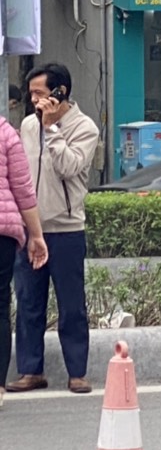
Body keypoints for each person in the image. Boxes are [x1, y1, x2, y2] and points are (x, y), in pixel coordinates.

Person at [6, 63, 100, 394]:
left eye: (40, 94)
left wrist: (53, 130)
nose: (34, 101)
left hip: (66, 229)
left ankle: (77, 371)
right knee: (28, 302)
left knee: (71, 304)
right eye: (31, 94)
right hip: (32, 230)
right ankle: (31, 370)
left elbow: (69, 166)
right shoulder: (29, 126)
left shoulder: (84, 127)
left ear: (61, 93)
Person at [0, 113, 49, 406]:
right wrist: (36, 235)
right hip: (3, 233)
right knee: (0, 307)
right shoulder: (6, 132)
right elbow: (23, 190)